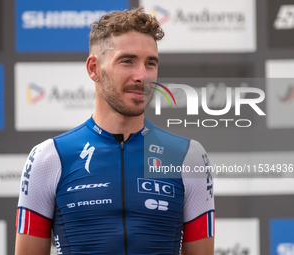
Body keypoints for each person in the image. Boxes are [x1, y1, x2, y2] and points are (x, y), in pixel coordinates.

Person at [15, 7, 215, 255]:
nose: (142, 76)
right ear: (94, 69)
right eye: (127, 61)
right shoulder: (49, 157)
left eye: (150, 63)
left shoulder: (187, 155)